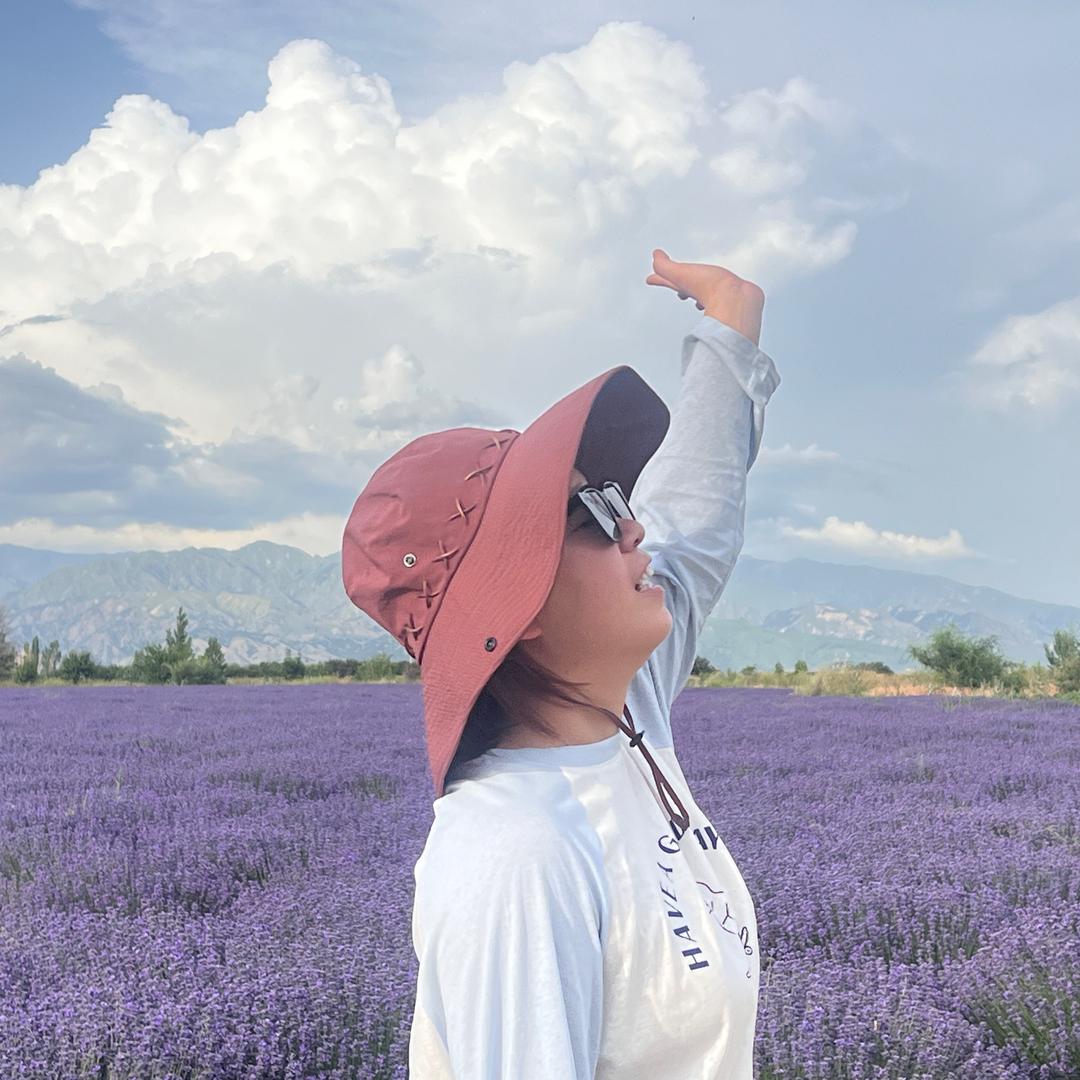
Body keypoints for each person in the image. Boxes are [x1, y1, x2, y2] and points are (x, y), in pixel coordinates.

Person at [341, 248, 781, 1079]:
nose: (632, 527)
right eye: (591, 514)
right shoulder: (518, 856)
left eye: (617, 497)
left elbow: (692, 522)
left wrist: (731, 320)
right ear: (516, 611)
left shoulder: (624, 714)